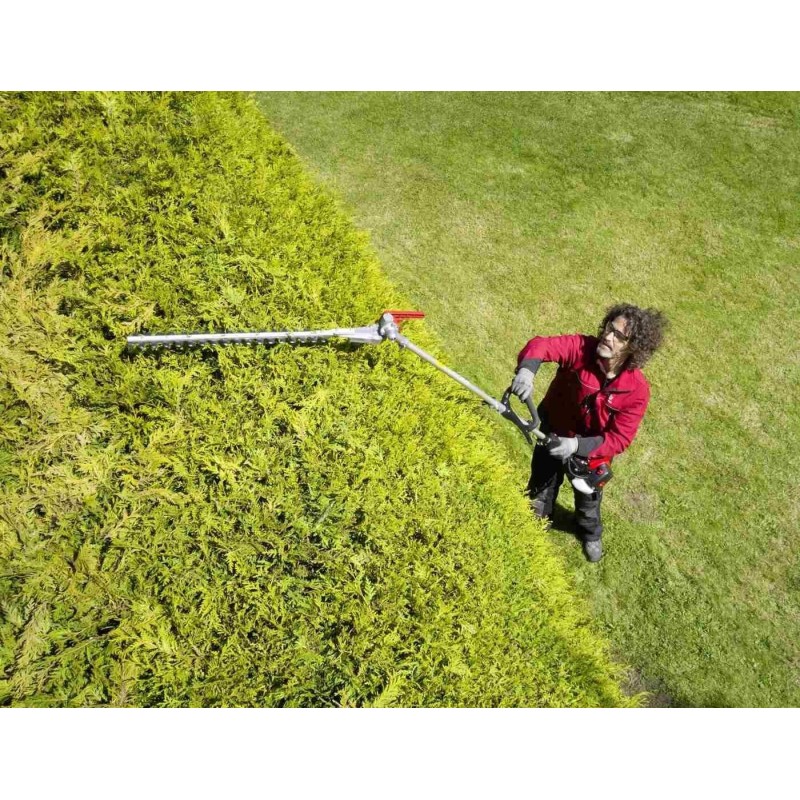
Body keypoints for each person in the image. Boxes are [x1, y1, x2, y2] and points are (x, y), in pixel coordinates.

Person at [511, 304, 666, 562]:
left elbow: (619, 438)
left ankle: (590, 533)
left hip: (591, 453)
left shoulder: (637, 391)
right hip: (552, 432)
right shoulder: (581, 348)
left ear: (633, 348)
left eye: (619, 336)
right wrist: (526, 371)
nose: (608, 337)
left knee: (588, 501)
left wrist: (576, 446)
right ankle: (535, 524)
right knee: (541, 486)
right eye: (609, 329)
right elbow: (541, 345)